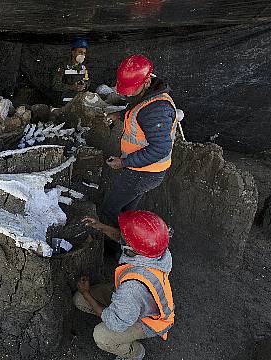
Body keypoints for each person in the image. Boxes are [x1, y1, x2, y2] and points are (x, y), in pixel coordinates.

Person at [75, 210, 174, 360]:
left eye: (127, 238)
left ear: (134, 249)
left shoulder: (131, 288)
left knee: (102, 335)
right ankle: (120, 315)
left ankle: (135, 353)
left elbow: (115, 324)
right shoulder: (155, 248)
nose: (123, 237)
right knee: (78, 300)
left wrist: (86, 293)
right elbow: (126, 240)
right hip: (135, 302)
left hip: (148, 320)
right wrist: (100, 226)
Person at [99, 54, 178, 227]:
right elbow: (136, 113)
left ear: (147, 81)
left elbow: (159, 149)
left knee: (109, 210)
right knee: (127, 211)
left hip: (144, 172)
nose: (128, 93)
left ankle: (112, 249)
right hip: (141, 168)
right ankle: (128, 243)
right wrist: (118, 115)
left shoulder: (157, 109)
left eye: (131, 88)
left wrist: (124, 162)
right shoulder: (146, 95)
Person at [51, 37, 90, 105]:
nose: (82, 55)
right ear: (73, 52)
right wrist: (71, 87)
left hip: (79, 101)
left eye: (84, 53)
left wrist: (84, 85)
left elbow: (87, 80)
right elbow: (55, 84)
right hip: (64, 101)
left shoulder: (84, 67)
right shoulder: (62, 66)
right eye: (80, 52)